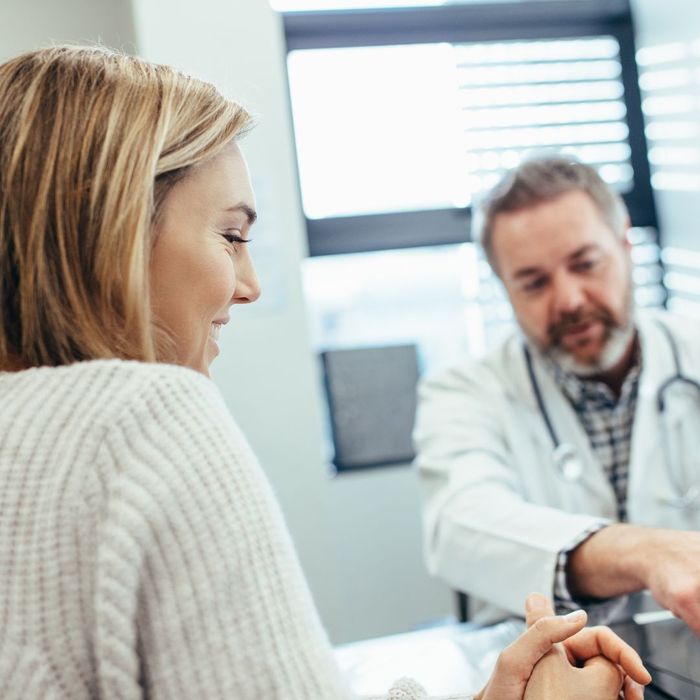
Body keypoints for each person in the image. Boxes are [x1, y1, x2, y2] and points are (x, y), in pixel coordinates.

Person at [0, 47, 649, 700]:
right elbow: (462, 522)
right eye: (231, 236)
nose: (249, 285)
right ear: (109, 230)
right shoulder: (151, 420)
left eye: (585, 263)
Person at [415, 155, 700, 634]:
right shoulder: (463, 392)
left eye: (585, 264)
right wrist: (650, 553)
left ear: (625, 244)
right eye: (534, 282)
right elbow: (459, 525)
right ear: (505, 288)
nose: (569, 299)